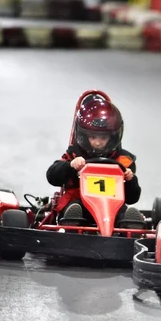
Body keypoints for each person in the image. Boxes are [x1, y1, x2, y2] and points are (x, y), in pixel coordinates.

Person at [46, 92, 144, 228]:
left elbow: (132, 198)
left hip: (112, 206)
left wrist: (130, 179)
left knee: (123, 213)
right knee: (75, 208)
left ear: (112, 137)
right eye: (93, 137)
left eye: (103, 138)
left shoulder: (123, 161)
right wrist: (70, 166)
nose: (98, 143)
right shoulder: (75, 155)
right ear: (85, 136)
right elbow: (52, 176)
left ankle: (130, 226)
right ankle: (72, 225)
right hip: (81, 203)